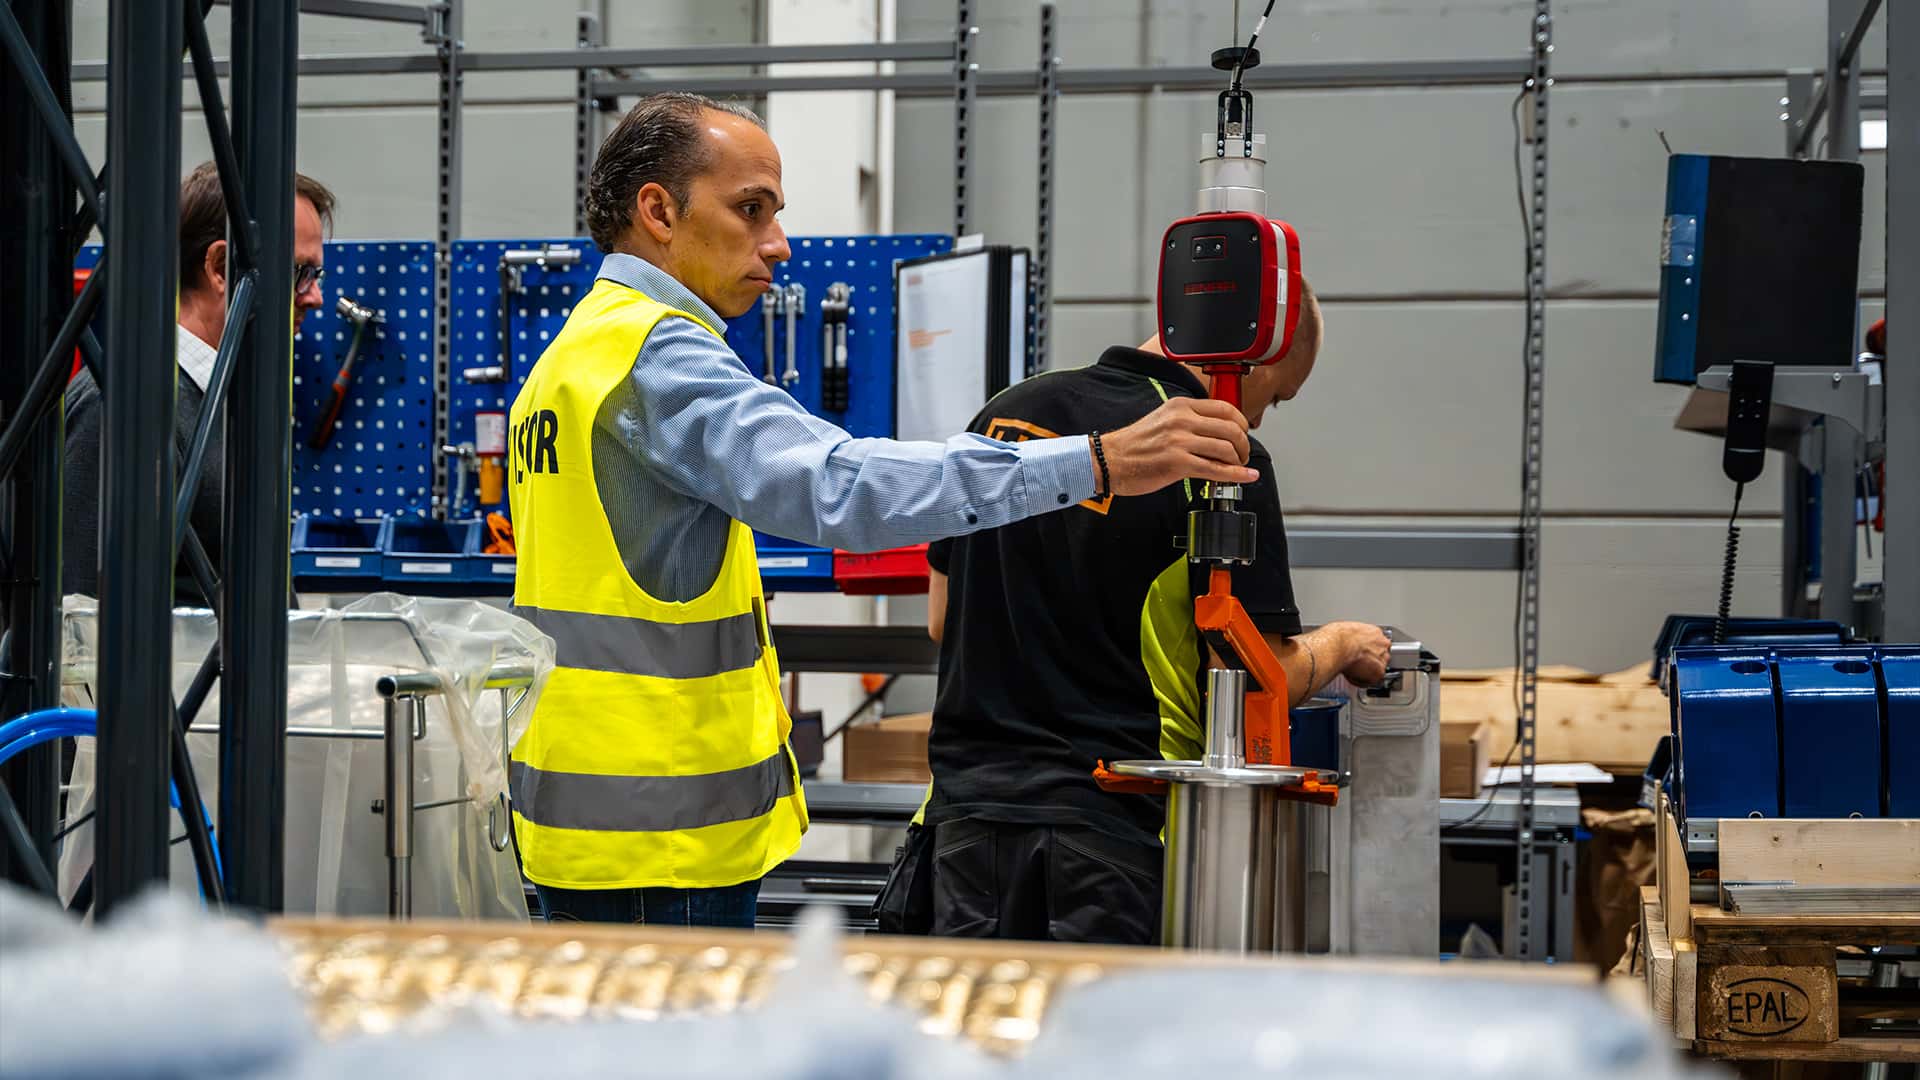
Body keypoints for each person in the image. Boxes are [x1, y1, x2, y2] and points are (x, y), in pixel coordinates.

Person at [506, 91, 1259, 928]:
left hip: (586, 822)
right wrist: (1095, 461)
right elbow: (838, 487)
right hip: (661, 840)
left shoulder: (572, 356)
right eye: (749, 210)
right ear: (658, 210)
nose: (778, 245)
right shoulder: (657, 354)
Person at [909, 284, 1393, 946]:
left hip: (961, 828)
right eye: (1275, 397)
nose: (1256, 421)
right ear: (1255, 356)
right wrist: (1345, 642)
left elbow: (942, 618)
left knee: (980, 1037)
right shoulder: (1215, 455)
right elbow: (1253, 676)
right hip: (1109, 831)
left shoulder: (1008, 411)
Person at [62, 161, 334, 603]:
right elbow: (80, 627)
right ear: (220, 268)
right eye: (300, 272)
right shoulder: (121, 408)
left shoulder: (228, 402)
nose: (315, 296)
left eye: (315, 276)